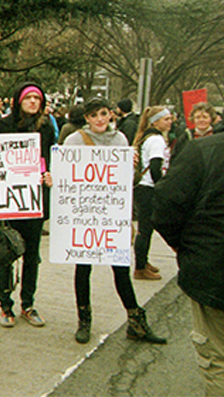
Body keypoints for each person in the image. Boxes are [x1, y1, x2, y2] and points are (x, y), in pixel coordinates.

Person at [63, 96, 166, 345]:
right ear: (86, 118)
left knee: (120, 269)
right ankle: (84, 320)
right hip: (85, 215)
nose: (100, 119)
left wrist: (130, 166)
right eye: (94, 114)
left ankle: (136, 321)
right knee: (83, 269)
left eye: (104, 113)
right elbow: (64, 175)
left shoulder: (120, 139)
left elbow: (125, 183)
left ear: (111, 115)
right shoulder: (74, 140)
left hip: (111, 216)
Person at [152, 133, 224, 396]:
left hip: (213, 272)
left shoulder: (205, 150)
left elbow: (165, 206)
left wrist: (184, 245)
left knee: (218, 360)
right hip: (212, 268)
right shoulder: (204, 150)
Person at [0, 82, 54, 327]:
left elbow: (48, 158)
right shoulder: (2, 126)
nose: (32, 102)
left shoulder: (47, 127)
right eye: (28, 98)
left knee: (32, 255)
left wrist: (49, 175)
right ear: (19, 101)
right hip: (9, 200)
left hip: (34, 200)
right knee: (6, 252)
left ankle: (27, 303)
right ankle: (5, 305)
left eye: (36, 99)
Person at [132, 106, 172, 280]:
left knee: (146, 228)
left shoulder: (147, 137)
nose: (170, 122)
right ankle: (140, 268)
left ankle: (143, 260)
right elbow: (156, 167)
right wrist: (162, 187)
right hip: (148, 187)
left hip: (142, 186)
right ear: (155, 121)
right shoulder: (156, 140)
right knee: (145, 229)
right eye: (166, 119)